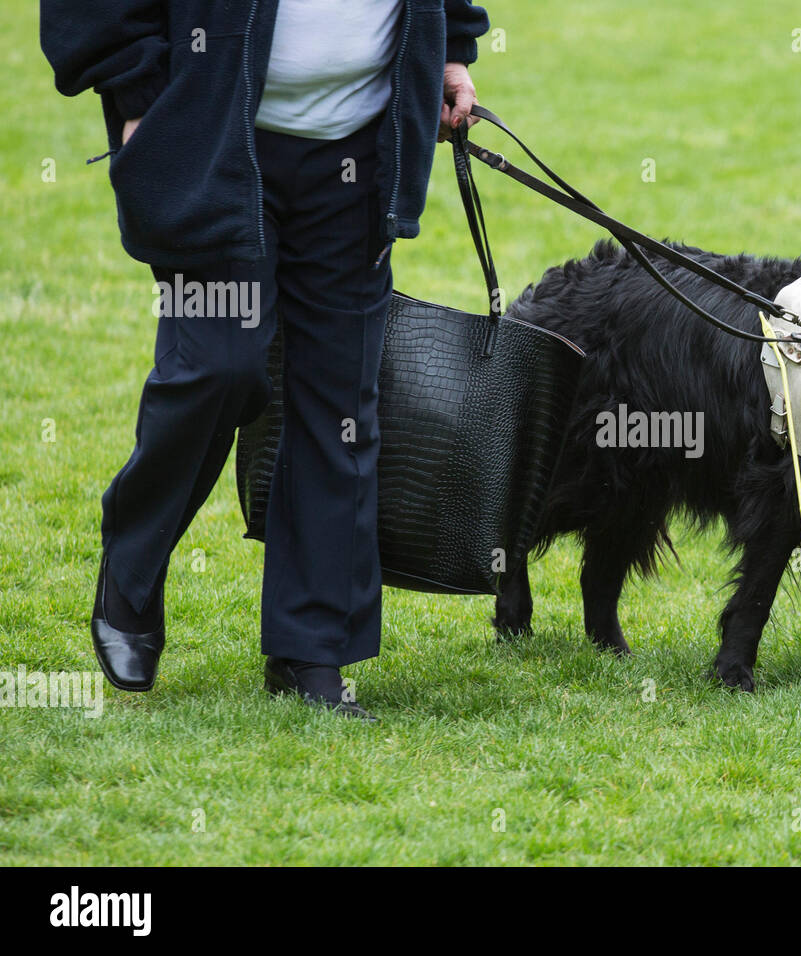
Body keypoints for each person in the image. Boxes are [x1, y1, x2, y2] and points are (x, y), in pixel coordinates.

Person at [40, 1, 490, 720]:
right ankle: (132, 562)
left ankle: (310, 649)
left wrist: (449, 47)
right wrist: (134, 89)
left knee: (339, 398)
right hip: (210, 140)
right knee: (221, 364)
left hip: (359, 148)